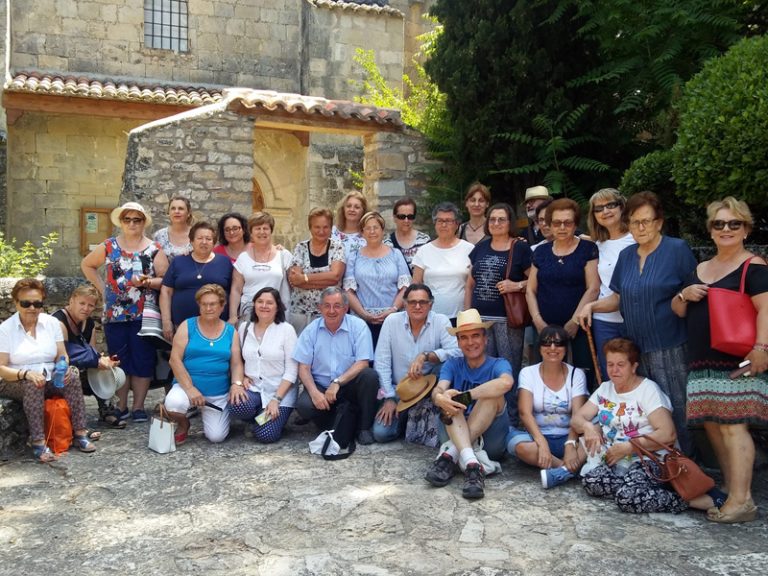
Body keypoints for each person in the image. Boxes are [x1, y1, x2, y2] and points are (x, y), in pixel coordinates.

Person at [577, 191, 697, 454]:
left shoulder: (677, 250)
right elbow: (617, 297)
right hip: (636, 349)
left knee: (677, 410)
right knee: (642, 413)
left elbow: (694, 296)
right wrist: (592, 305)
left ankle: (687, 469)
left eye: (646, 221)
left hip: (670, 345)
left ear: (659, 222)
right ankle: (651, 466)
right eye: (635, 222)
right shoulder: (627, 255)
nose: (641, 228)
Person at [673, 197, 768, 523]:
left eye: (734, 224)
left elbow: (767, 308)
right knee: (713, 425)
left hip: (738, 360)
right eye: (719, 224)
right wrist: (684, 294)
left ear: (745, 229)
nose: (726, 229)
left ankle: (743, 501)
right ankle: (732, 491)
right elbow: (678, 309)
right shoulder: (699, 270)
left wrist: (762, 348)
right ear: (710, 230)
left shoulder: (753, 266)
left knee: (734, 426)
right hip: (702, 361)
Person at [570, 338, 723, 514]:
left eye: (621, 364)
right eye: (610, 364)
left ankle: (690, 501)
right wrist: (589, 427)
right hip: (617, 459)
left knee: (627, 499)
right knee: (592, 482)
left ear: (634, 366)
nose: (614, 370)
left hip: (650, 460)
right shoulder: (605, 388)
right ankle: (646, 490)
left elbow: (668, 434)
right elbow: (577, 419)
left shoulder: (648, 390)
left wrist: (629, 447)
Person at [81, 201, 169, 423]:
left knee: (142, 360)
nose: (131, 223)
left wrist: (147, 282)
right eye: (127, 219)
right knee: (119, 360)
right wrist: (103, 289)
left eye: (136, 220)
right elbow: (87, 265)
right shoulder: (109, 246)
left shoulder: (154, 248)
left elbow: (166, 280)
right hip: (115, 314)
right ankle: (121, 406)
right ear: (121, 222)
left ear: (143, 223)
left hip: (144, 315)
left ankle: (138, 406)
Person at [0, 279, 96, 461]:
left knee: (73, 375)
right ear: (15, 303)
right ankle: (38, 442)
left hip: (49, 377)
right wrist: (25, 374)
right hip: (15, 380)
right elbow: (1, 368)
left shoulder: (51, 324)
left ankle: (80, 433)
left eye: (37, 303)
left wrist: (63, 366)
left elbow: (62, 355)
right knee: (33, 384)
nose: (32, 308)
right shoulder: (6, 330)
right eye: (26, 303)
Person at [424, 309, 514, 500]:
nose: (470, 342)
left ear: (485, 339)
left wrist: (466, 396)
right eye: (464, 338)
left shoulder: (499, 363)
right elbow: (439, 390)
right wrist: (440, 397)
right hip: (454, 428)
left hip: (490, 439)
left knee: (492, 395)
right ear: (458, 342)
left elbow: (506, 383)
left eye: (475, 336)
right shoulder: (452, 364)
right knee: (449, 398)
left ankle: (451, 455)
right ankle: (473, 466)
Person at [373, 283, 461, 444]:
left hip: (429, 392)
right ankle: (408, 421)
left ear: (431, 304)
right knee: (381, 434)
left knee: (446, 366)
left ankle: (420, 419)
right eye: (412, 302)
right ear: (405, 304)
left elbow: (457, 351)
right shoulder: (392, 321)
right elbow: (381, 362)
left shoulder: (440, 321)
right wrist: (389, 398)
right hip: (401, 392)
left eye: (423, 302)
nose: (418, 306)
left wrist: (427, 356)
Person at [465, 202, 532, 416]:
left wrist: (517, 285)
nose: (496, 223)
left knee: (508, 367)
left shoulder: (520, 247)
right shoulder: (481, 247)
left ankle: (511, 416)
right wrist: (468, 316)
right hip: (481, 319)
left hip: (507, 319)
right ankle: (484, 414)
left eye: (501, 219)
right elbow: (470, 283)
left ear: (510, 222)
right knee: (483, 366)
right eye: (492, 219)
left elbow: (535, 281)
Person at [526, 198, 599, 388]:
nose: (562, 227)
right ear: (549, 225)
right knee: (547, 372)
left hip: (581, 324)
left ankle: (582, 411)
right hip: (544, 325)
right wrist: (538, 321)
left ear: (575, 224)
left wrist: (574, 322)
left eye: (568, 222)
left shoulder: (588, 249)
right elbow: (530, 290)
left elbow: (593, 288)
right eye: (557, 222)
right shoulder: (541, 252)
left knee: (584, 371)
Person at [293, 287, 380, 445]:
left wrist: (337, 382)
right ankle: (338, 425)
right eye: (327, 305)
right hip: (322, 387)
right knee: (304, 405)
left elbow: (363, 362)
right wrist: (314, 393)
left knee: (369, 376)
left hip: (348, 385)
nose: (331, 310)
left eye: (337, 305)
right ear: (320, 308)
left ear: (346, 308)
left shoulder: (358, 326)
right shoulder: (311, 330)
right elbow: (303, 367)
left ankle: (364, 428)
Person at [506, 325, 588, 489]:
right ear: (539, 348)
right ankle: (567, 469)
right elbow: (524, 413)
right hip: (537, 438)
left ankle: (561, 471)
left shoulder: (576, 374)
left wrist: (570, 444)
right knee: (517, 445)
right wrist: (541, 442)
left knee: (595, 435)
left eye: (558, 343)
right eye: (546, 343)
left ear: (565, 348)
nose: (552, 348)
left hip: (568, 436)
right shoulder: (528, 373)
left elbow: (579, 415)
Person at [164, 284, 244, 444]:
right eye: (204, 304)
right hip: (187, 387)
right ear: (199, 305)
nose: (208, 308)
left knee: (216, 437)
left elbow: (236, 364)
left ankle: (211, 414)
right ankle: (183, 422)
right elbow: (174, 359)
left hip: (217, 392)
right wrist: (190, 388)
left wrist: (236, 384)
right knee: (174, 404)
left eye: (213, 304)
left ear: (222, 306)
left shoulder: (231, 331)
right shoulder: (187, 326)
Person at [228, 287, 298, 443]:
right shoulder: (244, 328)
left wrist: (276, 400)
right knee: (236, 403)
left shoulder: (287, 330)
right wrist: (243, 377)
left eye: (269, 303)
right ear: (254, 304)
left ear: (277, 306)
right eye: (260, 301)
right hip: (254, 388)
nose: (264, 306)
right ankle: (256, 417)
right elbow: (239, 360)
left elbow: (292, 371)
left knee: (266, 436)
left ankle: (269, 421)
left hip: (280, 392)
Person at [52, 285, 124, 429]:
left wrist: (103, 362)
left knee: (104, 370)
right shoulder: (58, 321)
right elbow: (63, 353)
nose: (86, 308)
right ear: (72, 301)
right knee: (73, 371)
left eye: (90, 305)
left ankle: (106, 411)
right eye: (82, 303)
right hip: (58, 367)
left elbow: (91, 351)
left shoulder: (89, 323)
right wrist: (96, 360)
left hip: (79, 364)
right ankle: (77, 425)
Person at [585, 189, 635, 378]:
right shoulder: (597, 246)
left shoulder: (636, 239)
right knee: (610, 374)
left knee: (637, 369)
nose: (605, 211)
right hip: (605, 322)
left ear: (622, 206)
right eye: (599, 209)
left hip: (633, 318)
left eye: (611, 205)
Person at [343, 211, 411, 347]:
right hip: (362, 320)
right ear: (362, 232)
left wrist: (392, 310)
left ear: (382, 230)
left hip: (393, 318)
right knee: (366, 362)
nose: (372, 231)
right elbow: (348, 291)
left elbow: (405, 287)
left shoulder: (395, 254)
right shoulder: (354, 256)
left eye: (375, 227)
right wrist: (364, 314)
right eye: (367, 228)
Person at [160, 221, 232, 340]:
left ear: (214, 242)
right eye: (199, 238)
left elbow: (233, 291)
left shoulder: (224, 262)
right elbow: (166, 292)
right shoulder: (179, 261)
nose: (204, 242)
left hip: (217, 327)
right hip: (183, 326)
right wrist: (166, 321)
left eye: (208, 238)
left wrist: (233, 317)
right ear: (192, 241)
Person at [412, 202, 474, 323]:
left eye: (448, 221)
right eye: (439, 221)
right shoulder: (424, 251)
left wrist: (469, 314)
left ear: (457, 225)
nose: (443, 225)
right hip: (430, 317)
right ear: (435, 224)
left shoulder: (469, 249)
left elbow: (472, 285)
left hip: (461, 316)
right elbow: (415, 285)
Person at [287, 207, 346, 334]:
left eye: (325, 227)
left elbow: (335, 277)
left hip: (328, 314)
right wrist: (326, 280)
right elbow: (295, 280)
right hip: (300, 313)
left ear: (331, 228)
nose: (321, 231)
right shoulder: (301, 247)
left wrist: (305, 278)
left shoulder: (337, 247)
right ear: (310, 227)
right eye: (317, 227)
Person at [229, 211, 292, 324]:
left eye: (265, 228)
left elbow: (293, 284)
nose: (262, 232)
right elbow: (236, 290)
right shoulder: (243, 258)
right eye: (257, 228)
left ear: (271, 231)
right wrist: (233, 315)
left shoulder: (284, 255)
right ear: (251, 232)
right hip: (248, 314)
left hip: (275, 315)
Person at [383, 197, 431, 272]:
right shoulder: (386, 243)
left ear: (414, 218)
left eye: (410, 217)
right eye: (401, 217)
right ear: (394, 218)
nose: (406, 220)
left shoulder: (424, 240)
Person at [153, 195, 193, 262]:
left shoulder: (197, 234)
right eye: (173, 208)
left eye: (181, 208)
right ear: (169, 212)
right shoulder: (159, 235)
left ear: (188, 213)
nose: (176, 211)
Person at [332, 191, 368, 257]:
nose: (352, 209)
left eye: (357, 207)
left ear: (363, 211)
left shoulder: (368, 235)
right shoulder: (332, 232)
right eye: (348, 206)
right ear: (343, 209)